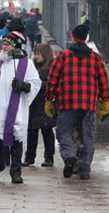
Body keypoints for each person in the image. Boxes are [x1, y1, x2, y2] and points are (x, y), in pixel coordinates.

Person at [45, 24, 109, 180]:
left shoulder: (63, 56)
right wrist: (105, 101)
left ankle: (69, 157)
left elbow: (52, 79)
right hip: (88, 105)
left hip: (66, 103)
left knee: (63, 132)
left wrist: (49, 98)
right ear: (86, 38)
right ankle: (84, 168)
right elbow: (103, 82)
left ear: (72, 37)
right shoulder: (95, 58)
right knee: (88, 136)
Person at [0, 31, 41, 183]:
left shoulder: (27, 64)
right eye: (3, 44)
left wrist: (24, 86)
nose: (3, 48)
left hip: (16, 108)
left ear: (16, 46)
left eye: (7, 45)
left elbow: (36, 83)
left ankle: (16, 171)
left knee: (15, 140)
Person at [23, 44, 56, 167]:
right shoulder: (33, 68)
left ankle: (49, 157)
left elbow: (49, 85)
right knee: (32, 131)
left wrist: (36, 85)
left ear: (45, 54)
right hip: (34, 105)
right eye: (35, 53)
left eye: (38, 53)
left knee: (46, 131)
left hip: (45, 104)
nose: (35, 56)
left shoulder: (49, 69)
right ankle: (30, 157)